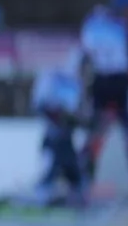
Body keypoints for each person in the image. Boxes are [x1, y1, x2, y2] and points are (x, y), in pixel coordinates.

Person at [81, 0, 128, 196]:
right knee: (109, 132)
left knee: (122, 131)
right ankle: (88, 178)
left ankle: (90, 178)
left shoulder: (98, 20)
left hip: (108, 82)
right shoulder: (119, 26)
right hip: (114, 82)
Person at [30, 66, 86, 208]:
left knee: (74, 174)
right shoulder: (52, 80)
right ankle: (42, 196)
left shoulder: (74, 85)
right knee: (51, 171)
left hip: (65, 143)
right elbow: (40, 106)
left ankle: (72, 196)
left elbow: (79, 116)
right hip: (55, 141)